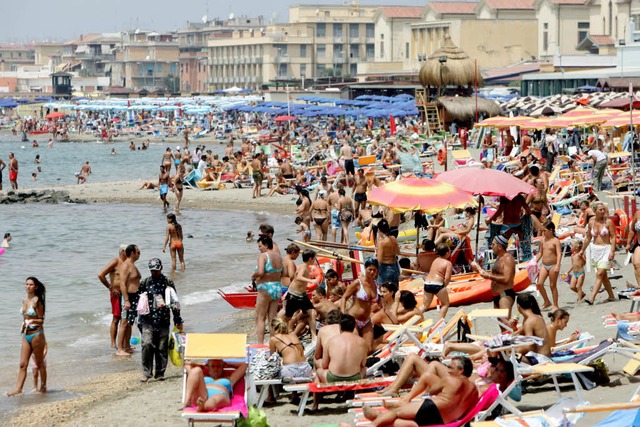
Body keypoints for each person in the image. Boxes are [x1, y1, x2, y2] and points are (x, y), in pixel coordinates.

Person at [364, 357, 479, 426]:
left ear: (461, 370)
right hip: (447, 420)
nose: (448, 370)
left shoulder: (450, 379)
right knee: (411, 424)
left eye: (451, 368)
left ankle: (372, 424)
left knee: (396, 412)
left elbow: (432, 391)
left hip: (433, 407)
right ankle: (378, 415)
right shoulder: (474, 390)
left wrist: (442, 388)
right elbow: (469, 412)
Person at [138, 258, 184, 382]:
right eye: (152, 271)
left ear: (161, 268)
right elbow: (140, 303)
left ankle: (160, 373)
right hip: (147, 320)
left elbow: (174, 302)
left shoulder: (168, 282)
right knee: (147, 344)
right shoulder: (145, 283)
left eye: (156, 270)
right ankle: (147, 372)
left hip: (163, 320)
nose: (155, 273)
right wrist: (138, 320)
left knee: (161, 347)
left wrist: (178, 319)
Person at [8, 277, 47, 396]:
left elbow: (41, 320)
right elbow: (25, 317)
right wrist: (25, 323)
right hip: (26, 335)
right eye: (26, 284)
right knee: (22, 364)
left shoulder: (38, 301)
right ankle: (18, 388)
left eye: (31, 284)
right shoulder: (24, 300)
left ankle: (43, 387)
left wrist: (31, 322)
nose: (28, 286)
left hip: (37, 334)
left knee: (40, 363)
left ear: (36, 287)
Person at [473, 235, 516, 329]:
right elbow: (495, 274)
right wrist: (480, 269)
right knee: (501, 324)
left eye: (493, 244)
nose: (491, 246)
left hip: (505, 294)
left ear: (500, 246)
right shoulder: (498, 258)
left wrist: (488, 276)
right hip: (496, 294)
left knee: (506, 324)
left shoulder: (507, 258)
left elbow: (507, 279)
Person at [580, 202, 616, 305]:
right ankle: (611, 296)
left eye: (603, 209)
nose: (603, 211)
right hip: (595, 249)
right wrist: (582, 250)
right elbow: (588, 237)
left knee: (599, 274)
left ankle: (592, 298)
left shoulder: (608, 222)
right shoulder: (591, 222)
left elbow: (613, 237)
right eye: (600, 210)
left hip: (606, 249)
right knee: (603, 276)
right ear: (595, 211)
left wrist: (612, 251)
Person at [341, 257, 379, 352]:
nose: (372, 272)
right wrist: (343, 314)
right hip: (353, 319)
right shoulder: (357, 283)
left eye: (374, 270)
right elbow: (344, 297)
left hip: (366, 320)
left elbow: (378, 301)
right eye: (370, 269)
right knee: (355, 347)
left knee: (369, 349)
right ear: (365, 269)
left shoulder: (375, 283)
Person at [316, 314, 368, 383]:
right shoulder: (362, 342)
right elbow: (363, 364)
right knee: (364, 369)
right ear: (354, 327)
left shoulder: (331, 341)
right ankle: (357, 392)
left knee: (319, 371)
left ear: (340, 327)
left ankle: (318, 393)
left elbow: (324, 365)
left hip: (333, 378)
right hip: (354, 378)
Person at [182, 359, 247, 412]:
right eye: (213, 366)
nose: (216, 369)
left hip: (221, 395)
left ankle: (202, 406)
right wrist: (202, 365)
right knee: (196, 370)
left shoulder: (230, 379)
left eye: (219, 366)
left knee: (214, 400)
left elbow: (245, 365)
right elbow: (187, 364)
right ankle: (187, 401)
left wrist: (229, 364)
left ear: (223, 367)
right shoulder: (202, 377)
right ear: (208, 367)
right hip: (203, 394)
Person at [251, 235, 283, 344]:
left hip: (266, 288)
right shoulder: (278, 257)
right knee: (272, 318)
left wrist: (253, 276)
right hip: (277, 287)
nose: (259, 248)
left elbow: (260, 272)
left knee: (261, 317)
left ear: (265, 245)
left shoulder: (263, 256)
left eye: (260, 246)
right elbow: (282, 273)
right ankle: (273, 343)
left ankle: (260, 344)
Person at [284, 249, 319, 341]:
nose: (315, 259)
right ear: (310, 259)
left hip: (299, 294)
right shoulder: (303, 268)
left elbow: (295, 279)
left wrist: (287, 291)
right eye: (314, 258)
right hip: (295, 295)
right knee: (287, 317)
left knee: (311, 312)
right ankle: (281, 334)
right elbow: (299, 277)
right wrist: (311, 281)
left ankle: (314, 336)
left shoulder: (300, 266)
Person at [97, 245, 127, 349]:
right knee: (116, 318)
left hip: (126, 294)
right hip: (116, 293)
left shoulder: (127, 263)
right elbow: (101, 275)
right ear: (123, 251)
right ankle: (113, 343)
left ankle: (124, 344)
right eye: (127, 250)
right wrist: (110, 287)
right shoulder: (115, 261)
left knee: (125, 319)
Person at [117, 244, 142, 357]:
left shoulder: (132, 265)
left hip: (135, 296)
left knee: (129, 323)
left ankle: (127, 346)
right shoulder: (125, 265)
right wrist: (126, 300)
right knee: (124, 323)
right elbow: (122, 284)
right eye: (138, 251)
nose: (139, 253)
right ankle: (120, 349)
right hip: (128, 297)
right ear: (132, 253)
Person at [514, 294, 552, 365]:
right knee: (512, 352)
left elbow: (529, 346)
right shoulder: (537, 317)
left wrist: (513, 350)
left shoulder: (529, 322)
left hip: (540, 359)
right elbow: (521, 335)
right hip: (545, 356)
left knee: (511, 355)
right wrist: (513, 328)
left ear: (518, 306)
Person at [535, 221, 562, 311]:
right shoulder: (543, 240)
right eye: (542, 231)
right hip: (544, 264)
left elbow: (559, 254)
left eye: (545, 230)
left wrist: (558, 265)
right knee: (539, 284)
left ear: (551, 230)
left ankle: (555, 305)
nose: (543, 232)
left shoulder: (555, 241)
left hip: (553, 265)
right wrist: (534, 262)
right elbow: (540, 253)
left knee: (552, 285)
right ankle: (547, 301)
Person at [422, 243, 452, 319]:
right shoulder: (448, 263)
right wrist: (444, 287)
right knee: (445, 304)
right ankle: (440, 322)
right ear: (447, 252)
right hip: (438, 284)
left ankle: (413, 319)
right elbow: (447, 278)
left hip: (427, 282)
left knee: (425, 305)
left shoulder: (435, 260)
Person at [376, 219, 401, 286]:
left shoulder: (382, 243)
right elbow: (398, 252)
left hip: (385, 268)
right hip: (394, 266)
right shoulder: (393, 238)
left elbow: (379, 260)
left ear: (379, 230)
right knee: (395, 289)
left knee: (384, 289)